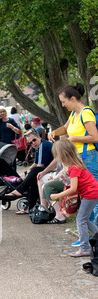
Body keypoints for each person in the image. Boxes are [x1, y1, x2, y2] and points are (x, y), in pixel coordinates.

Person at [48, 82, 98, 230]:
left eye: (63, 101)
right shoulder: (74, 114)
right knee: (84, 197)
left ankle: (94, 236)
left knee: (93, 196)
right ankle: (89, 235)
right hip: (78, 158)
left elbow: (95, 137)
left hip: (88, 157)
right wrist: (55, 132)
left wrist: (74, 139)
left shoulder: (86, 113)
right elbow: (65, 128)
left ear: (73, 99)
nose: (62, 105)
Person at [50, 139, 98, 257]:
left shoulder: (73, 168)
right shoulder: (75, 164)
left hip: (90, 194)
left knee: (80, 219)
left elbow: (73, 189)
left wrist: (58, 196)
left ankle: (84, 248)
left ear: (62, 154)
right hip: (93, 192)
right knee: (84, 219)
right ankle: (96, 236)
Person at [4, 129, 54, 213]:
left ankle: (19, 190)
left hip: (54, 169)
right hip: (49, 169)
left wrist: (30, 173)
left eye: (34, 140)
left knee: (35, 173)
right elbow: (36, 163)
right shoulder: (38, 146)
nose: (33, 143)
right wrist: (29, 170)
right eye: (30, 143)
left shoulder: (43, 145)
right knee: (34, 177)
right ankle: (29, 207)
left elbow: (40, 166)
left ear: (38, 137)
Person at [37, 158, 68, 224]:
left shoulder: (66, 150)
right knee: (41, 179)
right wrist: (44, 172)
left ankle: (59, 215)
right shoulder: (61, 150)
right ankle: (44, 208)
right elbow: (57, 160)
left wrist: (55, 178)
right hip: (61, 174)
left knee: (47, 187)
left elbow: (67, 168)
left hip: (67, 176)